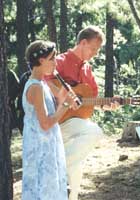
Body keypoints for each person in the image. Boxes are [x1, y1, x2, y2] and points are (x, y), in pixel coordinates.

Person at [47, 25, 119, 200]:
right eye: (93, 48)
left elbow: (91, 100)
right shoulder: (60, 61)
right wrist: (64, 97)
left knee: (76, 170)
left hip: (73, 122)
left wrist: (106, 105)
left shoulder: (87, 69)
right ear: (83, 42)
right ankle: (56, 172)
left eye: (98, 50)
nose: (95, 53)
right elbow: (43, 81)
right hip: (54, 120)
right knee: (94, 131)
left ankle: (70, 193)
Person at [21, 40, 79, 200]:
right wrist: (66, 104)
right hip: (40, 148)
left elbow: (54, 112)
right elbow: (45, 123)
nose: (55, 63)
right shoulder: (36, 87)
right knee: (43, 190)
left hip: (47, 144)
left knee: (51, 188)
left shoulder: (42, 84)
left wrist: (63, 99)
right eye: (52, 59)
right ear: (41, 60)